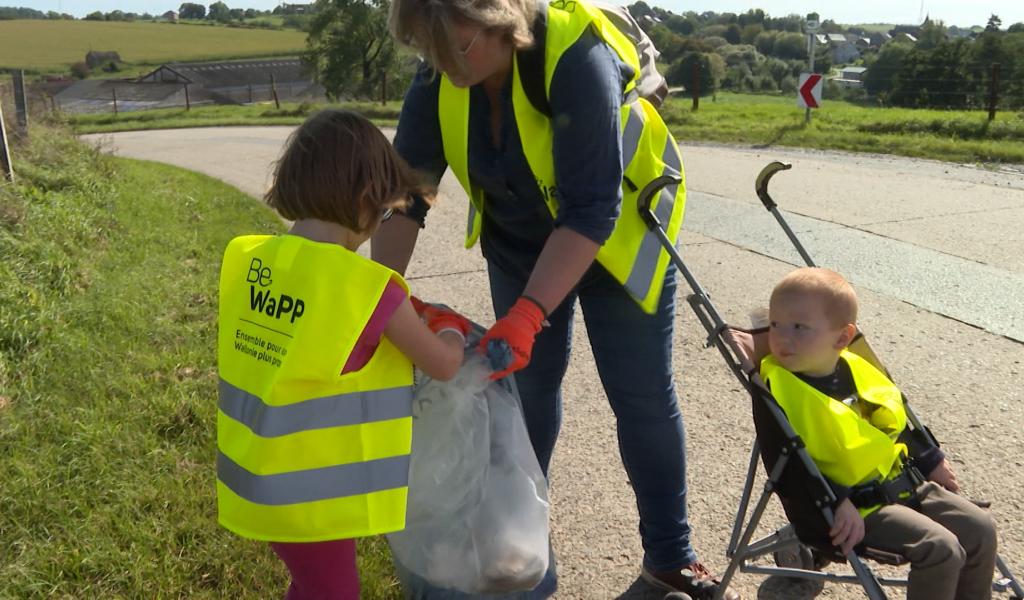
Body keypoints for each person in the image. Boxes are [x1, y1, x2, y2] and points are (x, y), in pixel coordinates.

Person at [377, 0, 739, 598]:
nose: (441, 62)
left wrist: (527, 314)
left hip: (616, 247)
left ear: (498, 17)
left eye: (454, 45)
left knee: (642, 397)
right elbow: (405, 197)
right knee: (523, 399)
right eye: (426, 48)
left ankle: (670, 556)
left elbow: (593, 210)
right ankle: (513, 548)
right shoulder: (440, 69)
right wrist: (379, 295)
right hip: (521, 247)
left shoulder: (576, 56)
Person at [216, 109, 473, 599]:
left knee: (313, 586)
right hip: (312, 495)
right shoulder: (369, 290)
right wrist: (451, 332)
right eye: (383, 213)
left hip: (257, 473)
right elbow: (443, 366)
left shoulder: (253, 261)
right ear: (363, 201)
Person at [761, 267, 998, 600]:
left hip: (905, 482)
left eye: (799, 327)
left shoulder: (858, 369)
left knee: (980, 529)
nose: (782, 337)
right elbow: (787, 464)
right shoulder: (780, 387)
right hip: (852, 507)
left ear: (842, 338)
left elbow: (894, 421)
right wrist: (834, 500)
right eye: (774, 325)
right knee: (941, 549)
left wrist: (930, 458)